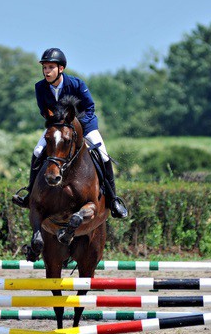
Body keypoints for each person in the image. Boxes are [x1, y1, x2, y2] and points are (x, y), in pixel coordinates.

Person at [12, 47, 129, 219]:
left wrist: (75, 126)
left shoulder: (76, 84)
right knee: (37, 151)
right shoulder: (40, 87)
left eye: (50, 67)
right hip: (57, 128)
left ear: (61, 69)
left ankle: (113, 200)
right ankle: (29, 194)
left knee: (103, 156)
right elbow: (43, 110)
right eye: (44, 67)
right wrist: (55, 122)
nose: (46, 71)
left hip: (84, 126)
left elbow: (90, 107)